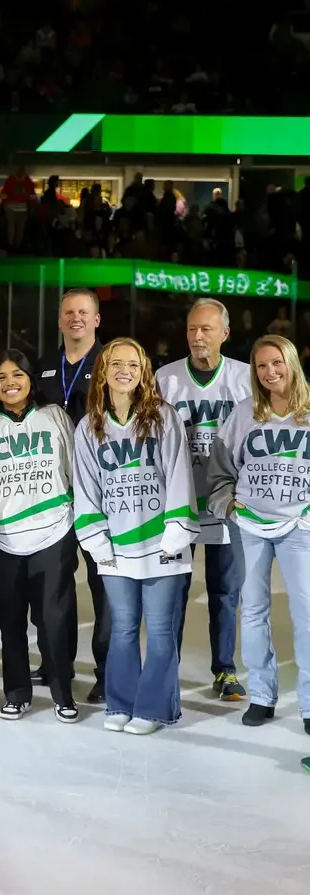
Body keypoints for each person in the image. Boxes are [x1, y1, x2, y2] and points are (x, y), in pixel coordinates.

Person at [73, 339, 197, 735]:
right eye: (116, 364)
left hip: (162, 541)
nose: (124, 371)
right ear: (103, 371)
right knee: (123, 628)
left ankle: (155, 708)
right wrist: (96, 540)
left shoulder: (163, 416)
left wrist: (176, 532)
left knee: (160, 629)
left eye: (133, 364)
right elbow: (86, 487)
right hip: (115, 545)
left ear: (143, 372)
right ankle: (121, 703)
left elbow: (179, 472)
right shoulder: (89, 425)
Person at [208, 335, 310, 735]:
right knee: (252, 612)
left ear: (291, 362)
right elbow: (219, 468)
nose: (270, 372)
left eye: (276, 363)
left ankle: (309, 705)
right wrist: (229, 506)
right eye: (261, 366)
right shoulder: (245, 412)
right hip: (249, 525)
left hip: (299, 527)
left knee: (306, 616)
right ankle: (263, 697)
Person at [0, 351, 79, 722]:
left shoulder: (55, 417)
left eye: (17, 374)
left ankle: (63, 691)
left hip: (53, 533)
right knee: (10, 621)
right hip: (2, 537)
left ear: (32, 379)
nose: (9, 383)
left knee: (53, 619)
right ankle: (17, 692)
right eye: (0, 378)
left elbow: (73, 470)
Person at [155, 298, 251, 701]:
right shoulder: (165, 378)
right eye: (193, 329)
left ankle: (225, 670)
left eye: (207, 329)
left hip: (226, 500)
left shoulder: (246, 378)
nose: (198, 336)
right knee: (173, 589)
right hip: (179, 502)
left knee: (226, 590)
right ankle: (165, 669)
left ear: (225, 334)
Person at [37, 288, 109, 704]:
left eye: (84, 312)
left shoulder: (110, 363)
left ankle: (105, 671)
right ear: (60, 320)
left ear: (96, 320)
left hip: (100, 494)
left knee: (103, 586)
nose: (76, 318)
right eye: (69, 313)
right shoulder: (45, 366)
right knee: (54, 588)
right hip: (52, 494)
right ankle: (55, 662)